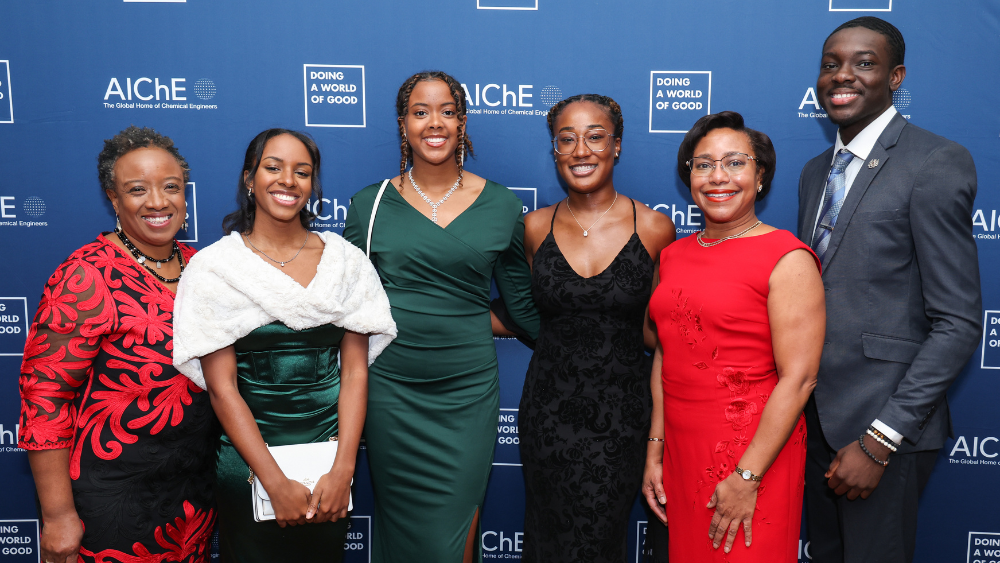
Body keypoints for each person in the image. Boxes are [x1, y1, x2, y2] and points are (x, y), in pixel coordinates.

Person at [797, 17, 980, 563]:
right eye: (831, 65)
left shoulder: (935, 161)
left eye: (864, 62)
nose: (842, 76)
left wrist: (880, 439)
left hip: (882, 433)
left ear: (896, 76)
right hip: (813, 425)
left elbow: (959, 321)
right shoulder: (813, 173)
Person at [171, 129, 396, 563]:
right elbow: (222, 389)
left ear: (313, 185)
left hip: (331, 463)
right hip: (250, 464)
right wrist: (272, 482)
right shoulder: (216, 269)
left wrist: (344, 470)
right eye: (273, 167)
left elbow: (354, 372)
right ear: (249, 180)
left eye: (302, 172)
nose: (288, 180)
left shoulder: (345, 262)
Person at [342, 70, 539, 563]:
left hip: (465, 393)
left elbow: (521, 308)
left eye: (447, 112)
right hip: (392, 391)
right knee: (402, 528)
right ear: (403, 124)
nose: (435, 123)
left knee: (456, 535)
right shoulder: (370, 205)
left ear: (463, 122)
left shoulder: (500, 205)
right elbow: (346, 303)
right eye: (421, 112)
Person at [18, 126, 216, 563]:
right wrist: (56, 517)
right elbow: (45, 398)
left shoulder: (203, 267)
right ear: (114, 198)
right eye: (137, 190)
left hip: (192, 499)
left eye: (171, 187)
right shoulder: (87, 275)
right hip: (111, 505)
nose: (158, 202)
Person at [644, 111, 826, 562]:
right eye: (703, 164)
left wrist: (747, 477)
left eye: (735, 162)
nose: (717, 177)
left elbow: (799, 379)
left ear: (760, 175)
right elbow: (667, 354)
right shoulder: (673, 256)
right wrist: (655, 450)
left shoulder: (787, 257)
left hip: (754, 454)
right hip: (683, 454)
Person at [513, 93, 674, 563]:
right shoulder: (534, 228)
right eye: (567, 139)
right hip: (547, 412)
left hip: (620, 419)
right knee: (546, 537)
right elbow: (520, 310)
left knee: (600, 541)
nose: (581, 150)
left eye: (595, 136)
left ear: (617, 146)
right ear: (555, 151)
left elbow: (659, 332)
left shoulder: (655, 229)